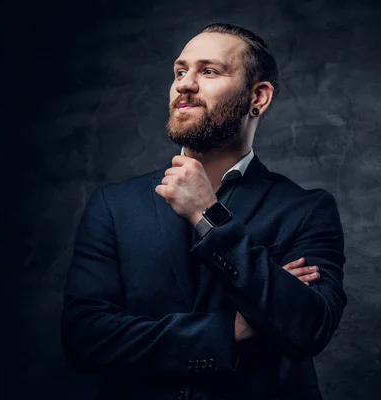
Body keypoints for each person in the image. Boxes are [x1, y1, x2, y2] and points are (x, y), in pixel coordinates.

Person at [61, 23, 347, 400]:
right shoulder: (115, 205)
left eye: (208, 71)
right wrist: (232, 329)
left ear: (258, 97)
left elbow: (306, 327)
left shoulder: (306, 210)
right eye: (180, 71)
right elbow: (86, 338)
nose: (185, 84)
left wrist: (207, 216)